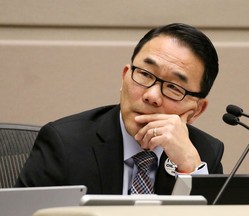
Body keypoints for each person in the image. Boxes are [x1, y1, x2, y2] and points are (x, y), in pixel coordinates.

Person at [15, 23, 224, 195]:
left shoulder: (204, 153)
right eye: (145, 74)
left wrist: (190, 168)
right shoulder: (65, 143)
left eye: (173, 87)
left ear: (197, 110)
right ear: (125, 76)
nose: (152, 96)